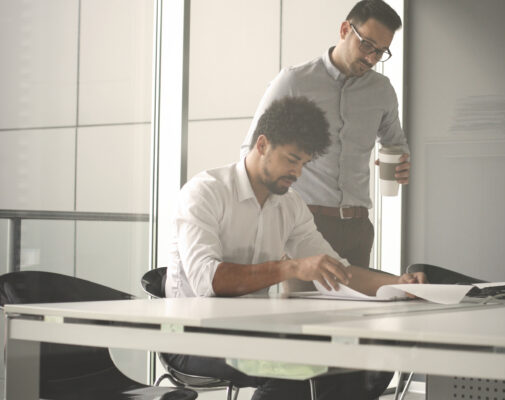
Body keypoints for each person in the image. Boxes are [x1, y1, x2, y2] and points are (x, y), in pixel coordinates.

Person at [166, 96, 426, 400]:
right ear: (262, 145)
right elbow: (206, 283)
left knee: (366, 363)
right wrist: (290, 267)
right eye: (291, 160)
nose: (298, 173)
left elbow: (334, 269)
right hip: (190, 337)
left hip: (253, 332)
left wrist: (396, 283)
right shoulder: (205, 192)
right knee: (292, 369)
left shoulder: (289, 205)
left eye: (304, 163)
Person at [241, 0, 409, 270]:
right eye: (367, 45)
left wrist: (401, 165)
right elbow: (252, 149)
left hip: (358, 228)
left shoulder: (382, 90)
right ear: (344, 30)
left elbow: (396, 144)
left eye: (380, 52)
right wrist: (270, 216)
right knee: (303, 311)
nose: (371, 59)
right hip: (305, 224)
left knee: (357, 310)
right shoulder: (294, 81)